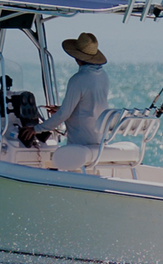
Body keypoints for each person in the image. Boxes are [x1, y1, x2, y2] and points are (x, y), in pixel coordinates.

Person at [19, 32, 109, 171]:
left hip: (81, 142)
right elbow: (89, 105)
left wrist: (35, 129)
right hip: (98, 139)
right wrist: (61, 108)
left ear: (77, 57)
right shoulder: (103, 76)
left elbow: (63, 115)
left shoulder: (78, 79)